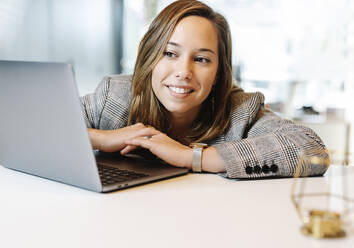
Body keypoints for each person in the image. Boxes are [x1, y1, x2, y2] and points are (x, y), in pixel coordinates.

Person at [80, 0, 328, 178]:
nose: (183, 71)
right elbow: (43, 122)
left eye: (201, 59)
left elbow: (311, 148)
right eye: (169, 53)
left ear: (218, 72)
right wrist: (101, 138)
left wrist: (191, 157)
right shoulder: (115, 96)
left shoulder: (240, 113)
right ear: (149, 58)